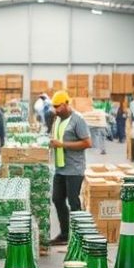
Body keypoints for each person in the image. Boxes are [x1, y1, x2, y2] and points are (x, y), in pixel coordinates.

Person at [47, 90, 92, 246]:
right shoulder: (58, 119)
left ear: (66, 104)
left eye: (58, 106)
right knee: (57, 199)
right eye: (54, 107)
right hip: (60, 168)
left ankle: (79, 236)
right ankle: (65, 235)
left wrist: (63, 144)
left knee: (74, 202)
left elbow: (87, 143)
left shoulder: (78, 120)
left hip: (74, 169)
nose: (55, 110)